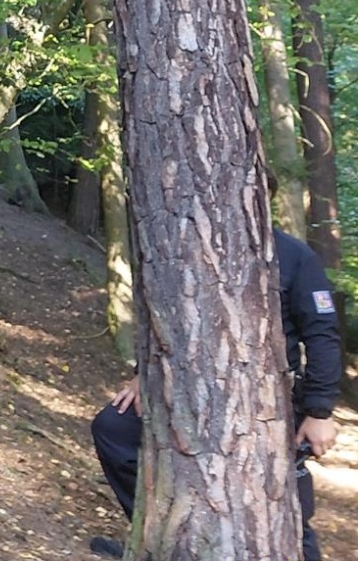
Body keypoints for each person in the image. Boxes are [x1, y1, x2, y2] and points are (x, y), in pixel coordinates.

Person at [87, 205, 341, 560]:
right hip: (187, 391)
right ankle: (163, 542)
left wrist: (319, 410)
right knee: (114, 429)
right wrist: (143, 375)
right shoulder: (184, 246)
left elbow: (323, 336)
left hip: (268, 402)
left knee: (287, 501)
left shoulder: (294, 256)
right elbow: (162, 317)